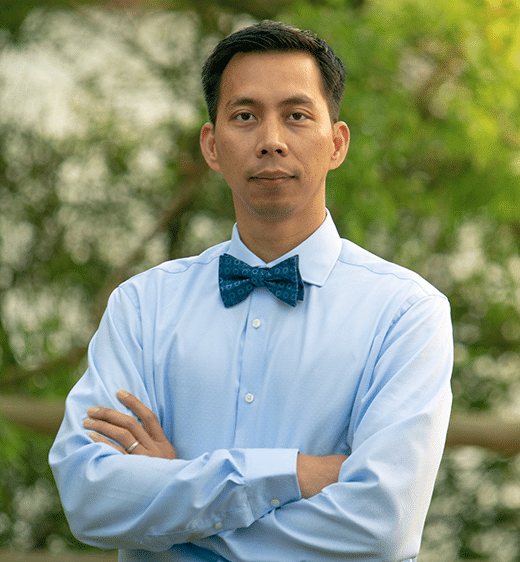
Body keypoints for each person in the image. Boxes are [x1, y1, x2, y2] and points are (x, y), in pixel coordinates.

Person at [49, 20, 453, 562]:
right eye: (245, 116)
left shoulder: (407, 312)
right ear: (212, 145)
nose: (271, 141)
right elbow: (90, 499)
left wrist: (172, 495)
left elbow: (381, 525)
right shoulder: (142, 306)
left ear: (337, 143)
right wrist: (294, 473)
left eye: (297, 115)